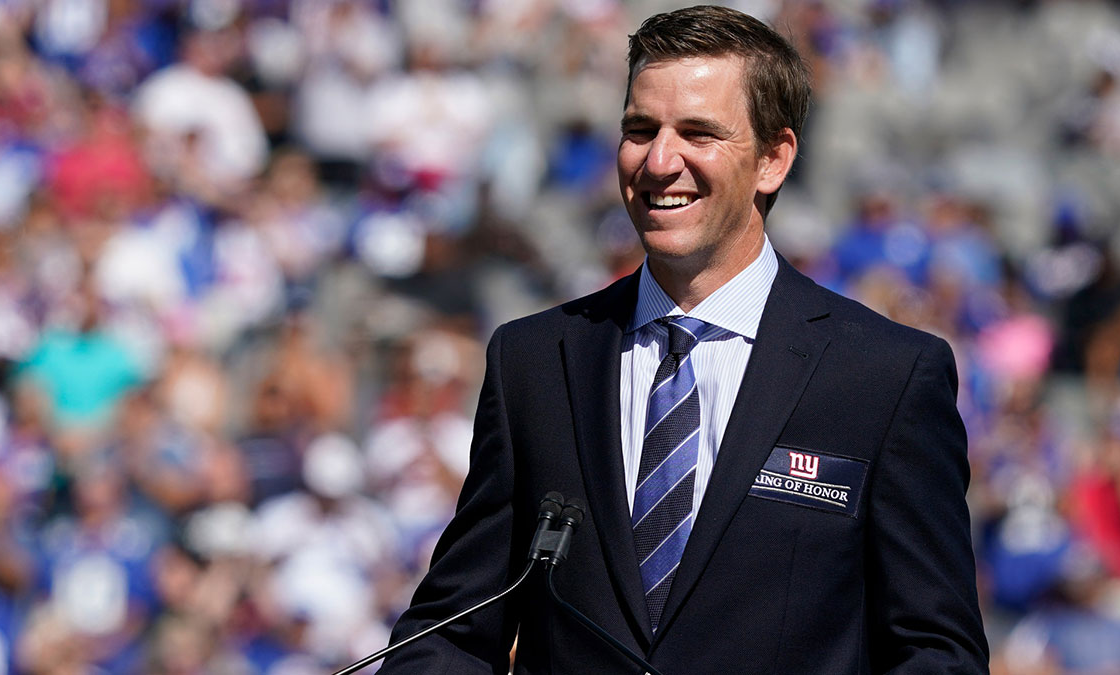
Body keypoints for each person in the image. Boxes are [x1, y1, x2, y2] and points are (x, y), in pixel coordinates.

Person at [379, 6, 989, 674]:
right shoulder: (534, 360)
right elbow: (450, 632)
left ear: (773, 159)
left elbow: (937, 653)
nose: (659, 160)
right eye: (640, 129)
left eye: (697, 132)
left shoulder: (886, 375)